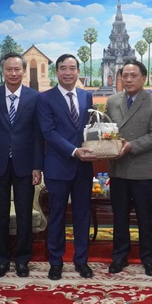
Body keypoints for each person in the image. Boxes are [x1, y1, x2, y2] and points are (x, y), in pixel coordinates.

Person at [0, 53, 43, 278]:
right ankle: (0, 260)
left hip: (25, 166)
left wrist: (37, 166)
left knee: (24, 213)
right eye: (9, 69)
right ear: (2, 71)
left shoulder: (35, 97)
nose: (13, 73)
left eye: (17, 69)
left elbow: (38, 135)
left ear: (24, 71)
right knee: (0, 214)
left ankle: (22, 260)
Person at [37, 53, 97, 280]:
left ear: (78, 72)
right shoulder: (45, 98)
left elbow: (89, 129)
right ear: (57, 72)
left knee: (82, 216)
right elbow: (48, 132)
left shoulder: (86, 97)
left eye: (72, 68)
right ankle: (56, 261)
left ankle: (82, 261)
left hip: (83, 168)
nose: (68, 72)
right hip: (58, 166)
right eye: (63, 68)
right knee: (57, 216)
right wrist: (73, 151)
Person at [105, 60, 152, 277]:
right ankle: (120, 256)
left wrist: (131, 146)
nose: (128, 79)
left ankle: (149, 258)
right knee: (119, 217)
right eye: (125, 76)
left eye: (133, 75)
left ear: (143, 78)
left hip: (143, 170)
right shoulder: (112, 101)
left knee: (145, 217)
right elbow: (107, 130)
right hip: (118, 169)